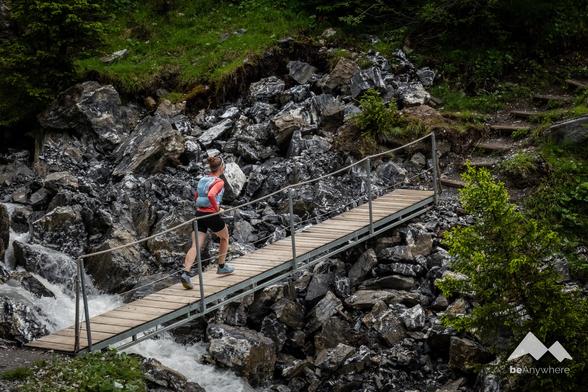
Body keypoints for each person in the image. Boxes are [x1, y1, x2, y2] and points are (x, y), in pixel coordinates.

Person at [181, 156, 234, 290]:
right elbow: (211, 195)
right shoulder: (219, 181)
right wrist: (217, 209)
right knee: (225, 237)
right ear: (221, 167)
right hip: (211, 214)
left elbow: (197, 196)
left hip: (199, 214)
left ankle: (186, 273)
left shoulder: (203, 179)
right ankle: (221, 266)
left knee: (196, 245)